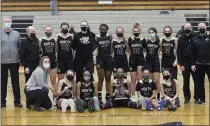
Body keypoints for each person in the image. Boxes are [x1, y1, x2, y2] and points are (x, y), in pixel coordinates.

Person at [1, 16, 23, 108]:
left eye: (8, 21)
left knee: (15, 82)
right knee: (2, 82)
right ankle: (2, 101)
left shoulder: (16, 34)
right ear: (3, 22)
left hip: (14, 61)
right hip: (2, 62)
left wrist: (19, 58)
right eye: (6, 21)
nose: (7, 23)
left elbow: (20, 46)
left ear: (11, 22)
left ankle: (17, 101)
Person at [177, 23, 197, 104]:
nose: (187, 29)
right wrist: (181, 64)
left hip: (194, 63)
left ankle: (197, 97)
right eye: (186, 28)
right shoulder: (181, 38)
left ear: (191, 28)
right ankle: (187, 97)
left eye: (189, 27)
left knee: (196, 81)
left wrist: (195, 63)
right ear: (183, 29)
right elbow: (179, 52)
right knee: (186, 81)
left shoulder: (196, 37)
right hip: (185, 63)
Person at [191, 22, 210, 105]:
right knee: (200, 83)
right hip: (198, 64)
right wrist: (192, 64)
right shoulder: (194, 39)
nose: (202, 28)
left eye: (203, 26)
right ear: (198, 29)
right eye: (200, 27)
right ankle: (202, 99)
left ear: (206, 28)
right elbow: (192, 53)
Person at [95, 24, 113, 104]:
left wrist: (110, 56)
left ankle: (107, 96)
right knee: (101, 79)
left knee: (108, 78)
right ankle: (99, 96)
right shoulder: (97, 37)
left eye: (104, 29)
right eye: (101, 29)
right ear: (99, 29)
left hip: (108, 59)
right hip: (100, 59)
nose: (102, 30)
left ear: (107, 29)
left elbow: (112, 49)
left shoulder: (110, 37)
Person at [128, 23, 145, 102]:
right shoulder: (130, 39)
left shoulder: (143, 39)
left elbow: (145, 49)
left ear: (140, 31)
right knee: (133, 79)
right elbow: (128, 50)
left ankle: (140, 95)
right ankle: (133, 95)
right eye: (135, 31)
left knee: (139, 78)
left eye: (137, 31)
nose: (136, 32)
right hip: (132, 61)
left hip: (140, 61)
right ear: (132, 31)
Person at [144, 27, 161, 100]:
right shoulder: (147, 41)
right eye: (150, 32)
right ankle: (151, 95)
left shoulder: (159, 41)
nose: (151, 34)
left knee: (157, 80)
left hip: (156, 62)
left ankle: (158, 95)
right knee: (150, 80)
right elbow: (144, 50)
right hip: (148, 62)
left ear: (155, 33)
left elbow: (160, 51)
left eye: (153, 32)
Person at [39, 26, 57, 93]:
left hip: (53, 61)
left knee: (53, 80)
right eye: (47, 30)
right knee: (44, 80)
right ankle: (43, 97)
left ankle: (55, 97)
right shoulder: (41, 40)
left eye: (49, 30)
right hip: (44, 62)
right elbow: (39, 50)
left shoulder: (55, 39)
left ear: (52, 31)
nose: (48, 31)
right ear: (44, 31)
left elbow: (56, 50)